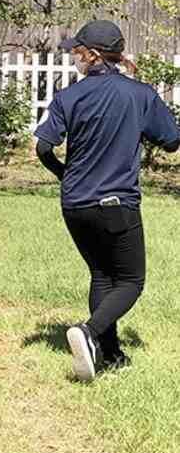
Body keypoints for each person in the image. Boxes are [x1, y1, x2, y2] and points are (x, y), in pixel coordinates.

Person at [35, 20, 180, 381]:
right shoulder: (139, 94)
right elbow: (171, 141)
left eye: (77, 51)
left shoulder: (68, 97)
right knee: (131, 281)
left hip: (74, 204)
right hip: (116, 204)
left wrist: (64, 175)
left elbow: (43, 147)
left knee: (102, 275)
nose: (74, 57)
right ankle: (88, 332)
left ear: (94, 55)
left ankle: (110, 354)